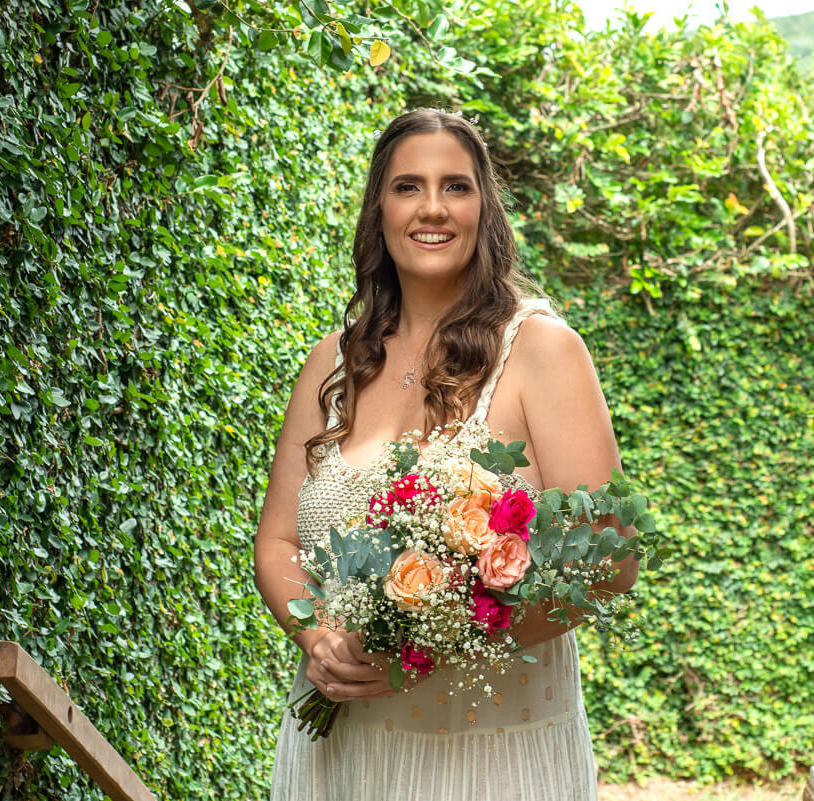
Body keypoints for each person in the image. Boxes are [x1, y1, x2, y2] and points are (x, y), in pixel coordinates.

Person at [253, 109, 640, 801]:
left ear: (484, 210)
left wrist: (427, 646)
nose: (432, 207)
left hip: (490, 760)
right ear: (378, 211)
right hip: (342, 755)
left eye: (455, 186)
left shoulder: (542, 351)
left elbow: (609, 559)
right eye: (408, 186)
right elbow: (278, 540)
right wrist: (318, 638)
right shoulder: (332, 364)